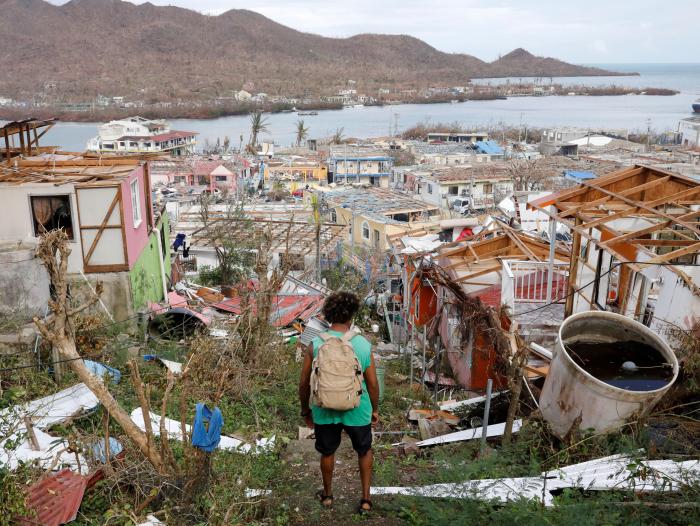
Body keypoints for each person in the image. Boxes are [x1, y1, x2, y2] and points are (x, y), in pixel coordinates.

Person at [298, 291, 380, 514]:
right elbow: (372, 385)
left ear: (327, 316)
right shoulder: (362, 344)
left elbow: (304, 383)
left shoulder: (315, 344)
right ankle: (365, 499)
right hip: (357, 408)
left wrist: (306, 410)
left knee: (327, 452)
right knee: (364, 451)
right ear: (351, 316)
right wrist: (374, 409)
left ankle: (327, 496)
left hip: (324, 408)